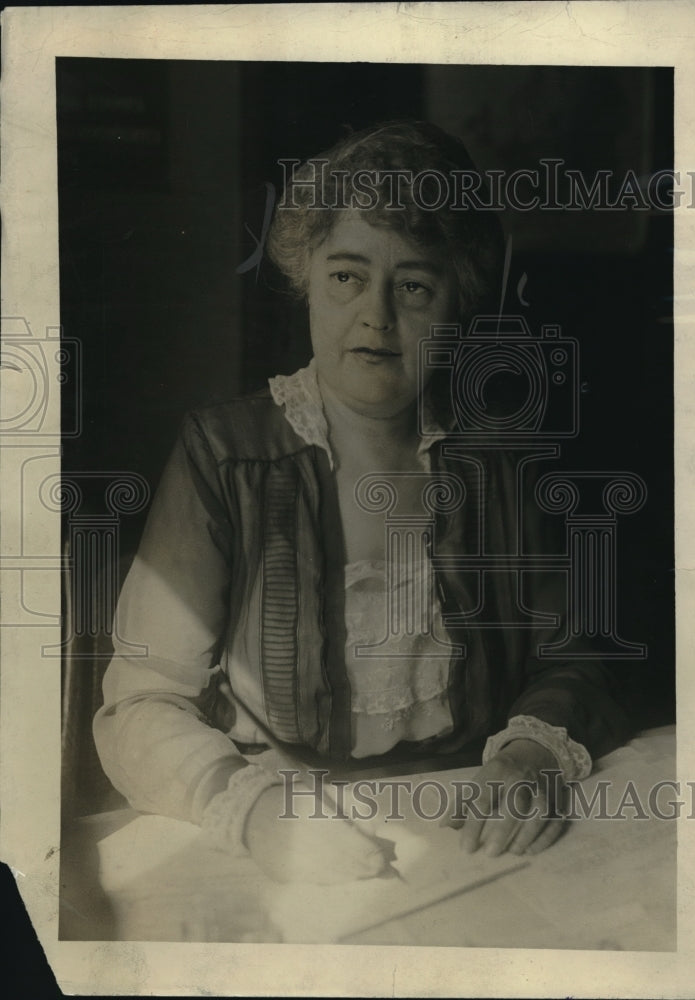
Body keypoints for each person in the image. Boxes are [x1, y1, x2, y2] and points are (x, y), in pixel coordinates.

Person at [93, 121, 632, 885]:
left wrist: (528, 756)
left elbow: (580, 658)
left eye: (413, 286)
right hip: (273, 834)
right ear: (305, 277)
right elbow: (141, 705)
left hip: (467, 836)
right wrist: (254, 812)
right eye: (347, 276)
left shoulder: (499, 458)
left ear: (456, 301)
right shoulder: (225, 456)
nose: (376, 314)